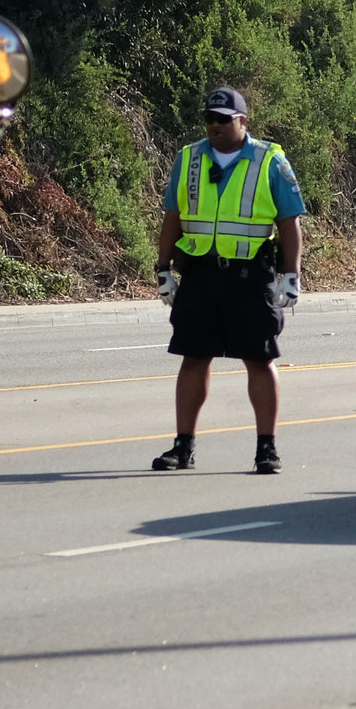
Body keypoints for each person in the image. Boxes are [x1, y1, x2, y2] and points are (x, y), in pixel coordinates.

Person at [149, 87, 307, 474]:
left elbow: (290, 222)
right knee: (193, 357)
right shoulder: (188, 158)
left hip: (250, 275)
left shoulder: (269, 159)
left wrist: (291, 275)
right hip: (201, 273)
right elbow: (172, 216)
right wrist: (163, 269)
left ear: (243, 121)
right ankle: (182, 446)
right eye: (210, 119)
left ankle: (266, 449)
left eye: (223, 118)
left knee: (259, 358)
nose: (215, 125)